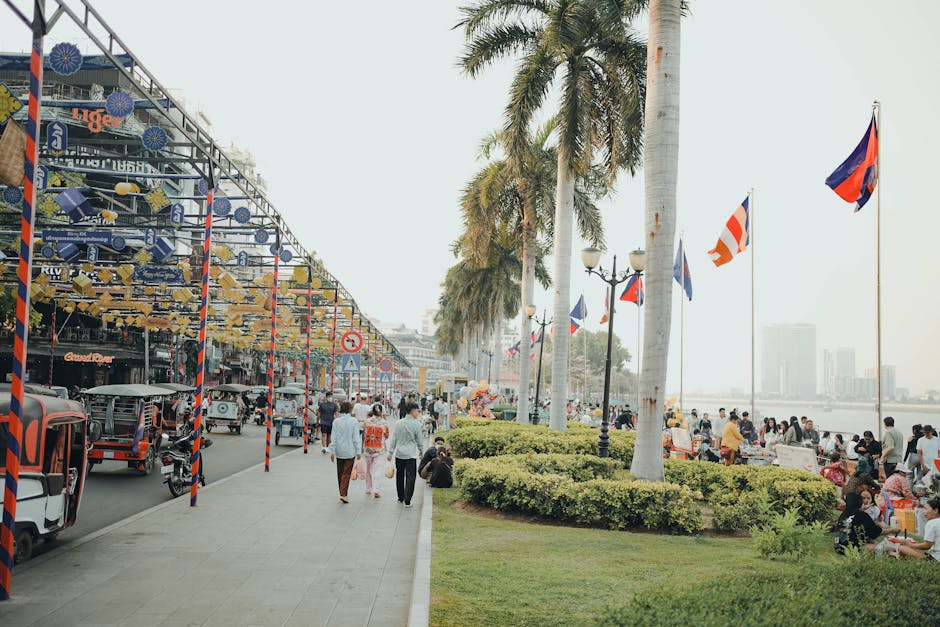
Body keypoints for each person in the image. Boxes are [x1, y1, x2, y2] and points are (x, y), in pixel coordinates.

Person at [834, 492, 898, 555]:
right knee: (888, 548)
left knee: (874, 542)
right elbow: (876, 532)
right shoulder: (862, 515)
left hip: (838, 547)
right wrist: (892, 530)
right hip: (851, 548)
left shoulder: (844, 514)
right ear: (859, 503)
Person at [387, 402, 424, 508]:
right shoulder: (416, 424)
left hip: (399, 454)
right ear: (412, 411)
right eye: (417, 411)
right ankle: (407, 501)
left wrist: (390, 452)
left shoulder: (399, 423)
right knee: (410, 477)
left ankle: (400, 497)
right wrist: (421, 450)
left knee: (400, 476)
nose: (418, 413)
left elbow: (394, 438)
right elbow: (419, 440)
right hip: (411, 455)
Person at [330, 401, 362, 504]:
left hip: (339, 450)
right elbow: (356, 438)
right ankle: (343, 494)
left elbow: (333, 437)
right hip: (350, 451)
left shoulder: (336, 421)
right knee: (346, 473)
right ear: (350, 410)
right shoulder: (354, 421)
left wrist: (332, 451)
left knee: (340, 472)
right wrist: (358, 451)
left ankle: (342, 492)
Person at [362, 404, 389, 498]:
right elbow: (387, 436)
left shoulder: (367, 421)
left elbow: (363, 432)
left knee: (368, 469)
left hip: (367, 448)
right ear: (381, 412)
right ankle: (376, 490)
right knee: (377, 470)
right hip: (379, 449)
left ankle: (368, 488)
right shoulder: (384, 423)